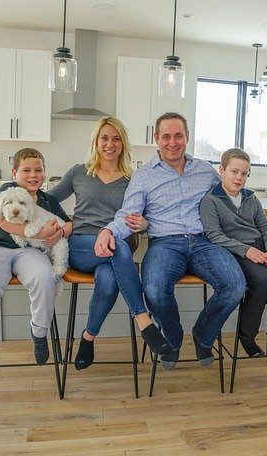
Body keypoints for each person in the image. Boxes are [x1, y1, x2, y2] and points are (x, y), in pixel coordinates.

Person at [97, 112, 246, 370]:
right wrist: (108, 231)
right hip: (165, 244)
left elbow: (230, 193)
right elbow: (128, 216)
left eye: (178, 135)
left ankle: (203, 336)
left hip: (205, 243)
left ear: (187, 137)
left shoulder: (205, 170)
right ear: (156, 138)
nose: (172, 142)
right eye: (166, 136)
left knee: (235, 285)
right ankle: (173, 339)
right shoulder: (143, 177)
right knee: (153, 290)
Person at [49, 116, 171, 370]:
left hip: (115, 252)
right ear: (96, 141)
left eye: (116, 139)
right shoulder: (79, 172)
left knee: (107, 281)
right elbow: (48, 201)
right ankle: (143, 319)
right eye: (104, 138)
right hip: (83, 246)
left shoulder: (133, 179)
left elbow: (146, 216)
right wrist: (65, 223)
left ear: (123, 144)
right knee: (120, 246)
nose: (110, 144)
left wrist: (144, 224)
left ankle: (87, 338)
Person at [0, 148, 73, 392]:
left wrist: (61, 232)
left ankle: (39, 332)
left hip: (29, 252)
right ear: (15, 173)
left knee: (46, 278)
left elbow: (68, 222)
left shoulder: (47, 200)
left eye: (38, 170)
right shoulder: (8, 190)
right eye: (26, 170)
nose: (33, 175)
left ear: (44, 173)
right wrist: (37, 231)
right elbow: (3, 221)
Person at [199, 148, 267, 357]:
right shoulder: (210, 201)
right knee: (261, 282)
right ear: (222, 170)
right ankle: (247, 336)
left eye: (244, 173)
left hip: (264, 248)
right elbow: (215, 236)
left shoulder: (251, 199)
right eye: (234, 172)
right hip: (238, 253)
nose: (239, 178)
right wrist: (247, 251)